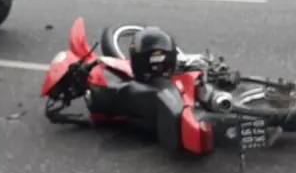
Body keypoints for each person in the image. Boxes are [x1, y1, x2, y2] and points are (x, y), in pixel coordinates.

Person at [83, 27, 280, 154]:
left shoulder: (132, 89)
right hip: (183, 102)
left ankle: (248, 126)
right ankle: (248, 128)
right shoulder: (152, 91)